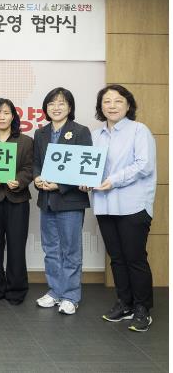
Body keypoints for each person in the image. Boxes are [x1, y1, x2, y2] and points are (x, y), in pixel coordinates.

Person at [88, 85, 156, 332]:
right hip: (105, 205)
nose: (112, 105)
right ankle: (124, 303)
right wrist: (85, 181)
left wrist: (113, 180)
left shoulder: (139, 130)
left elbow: (144, 165)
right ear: (100, 107)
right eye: (106, 101)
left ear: (128, 105)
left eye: (118, 101)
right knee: (116, 258)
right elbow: (89, 168)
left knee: (135, 258)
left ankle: (142, 308)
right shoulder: (95, 136)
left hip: (132, 205)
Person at [33, 87, 92, 315]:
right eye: (52, 103)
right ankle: (55, 291)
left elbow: (85, 167)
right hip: (46, 200)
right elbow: (36, 163)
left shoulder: (80, 131)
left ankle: (71, 296)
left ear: (70, 107)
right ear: (46, 108)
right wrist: (37, 178)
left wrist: (60, 185)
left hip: (70, 201)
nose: (56, 107)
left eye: (61, 103)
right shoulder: (41, 133)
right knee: (51, 249)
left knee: (70, 250)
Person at [0, 98, 33, 305]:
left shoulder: (25, 141)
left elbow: (29, 168)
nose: (2, 117)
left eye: (6, 113)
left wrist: (18, 180)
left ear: (13, 117)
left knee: (17, 246)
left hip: (17, 199)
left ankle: (17, 289)